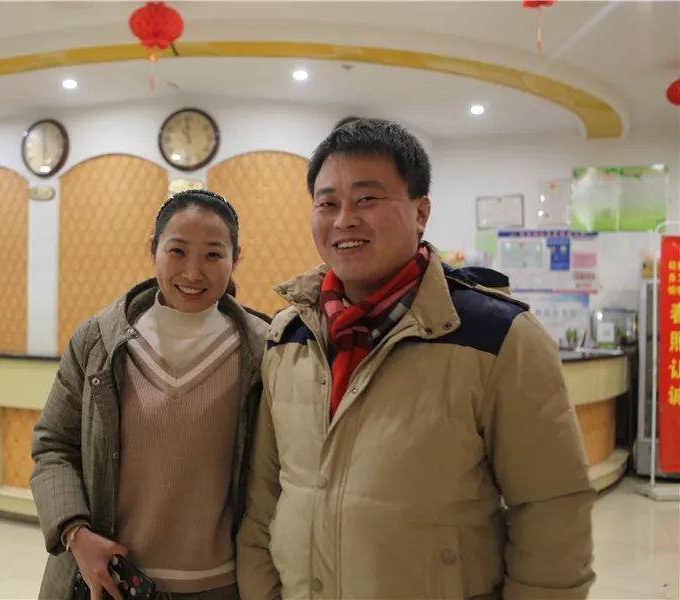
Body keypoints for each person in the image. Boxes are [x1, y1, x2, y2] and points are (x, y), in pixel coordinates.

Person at [237, 119, 595, 599]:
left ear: (421, 211)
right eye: (327, 203)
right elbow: (264, 499)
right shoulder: (289, 337)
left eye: (367, 198)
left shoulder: (498, 339)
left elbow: (552, 509)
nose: (344, 219)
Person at [31, 190, 269, 600]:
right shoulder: (98, 341)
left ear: (236, 257)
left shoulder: (264, 351)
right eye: (177, 251)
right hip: (109, 580)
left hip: (221, 586)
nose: (193, 272)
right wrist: (75, 533)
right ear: (153, 249)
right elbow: (53, 445)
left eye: (213, 255)